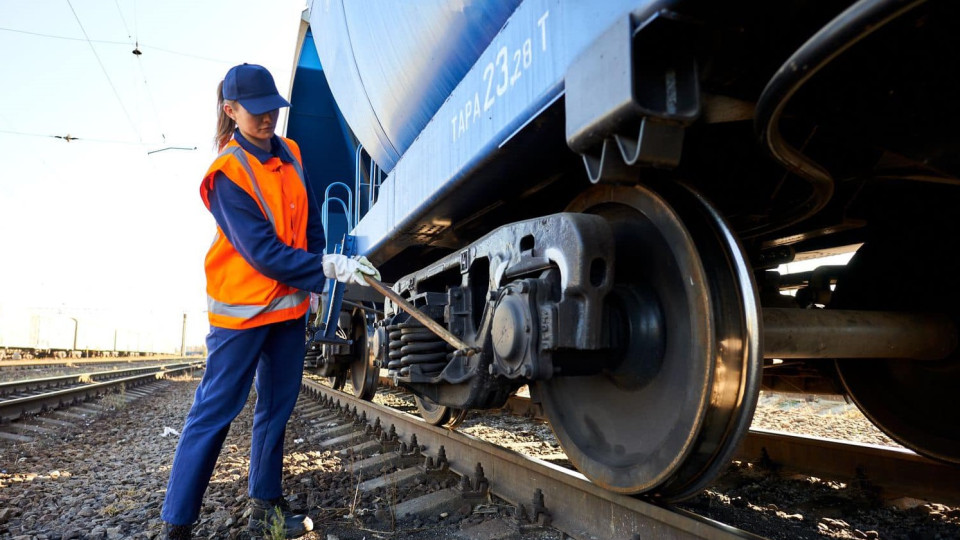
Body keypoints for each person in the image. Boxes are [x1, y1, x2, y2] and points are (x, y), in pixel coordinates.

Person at [160, 63, 379, 539]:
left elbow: (310, 217)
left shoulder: (293, 152)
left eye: (272, 110)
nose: (267, 120)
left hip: (287, 312)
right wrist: (322, 272)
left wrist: (325, 264)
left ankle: (265, 505)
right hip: (241, 315)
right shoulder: (226, 174)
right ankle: (177, 524)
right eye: (255, 112)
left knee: (276, 409)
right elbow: (262, 252)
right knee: (214, 412)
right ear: (231, 110)